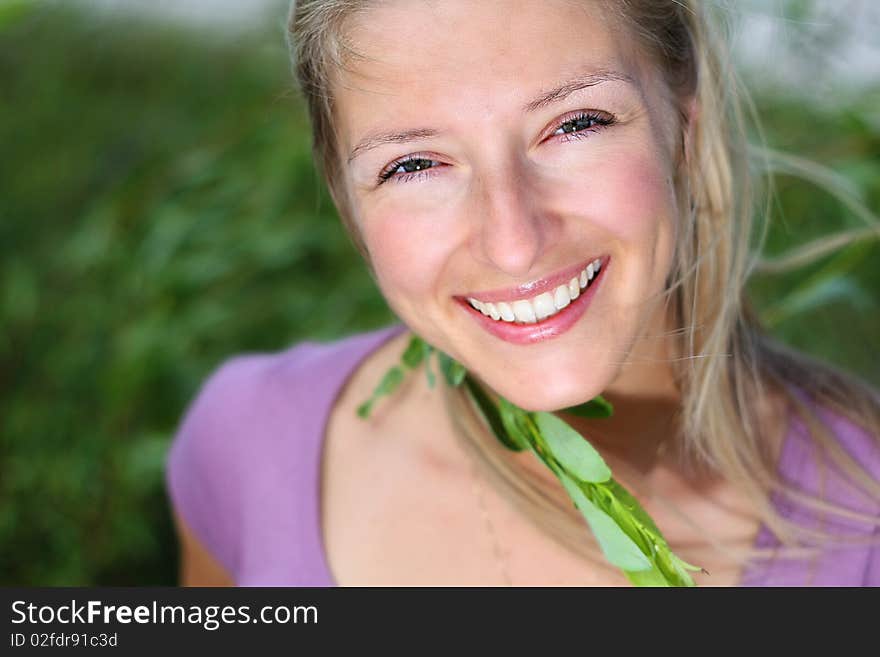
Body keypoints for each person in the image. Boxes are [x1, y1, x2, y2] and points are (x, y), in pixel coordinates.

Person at [165, 0, 880, 586]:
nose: (514, 241)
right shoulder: (250, 442)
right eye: (414, 164)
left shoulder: (864, 523)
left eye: (574, 124)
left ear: (682, 131)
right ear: (348, 205)